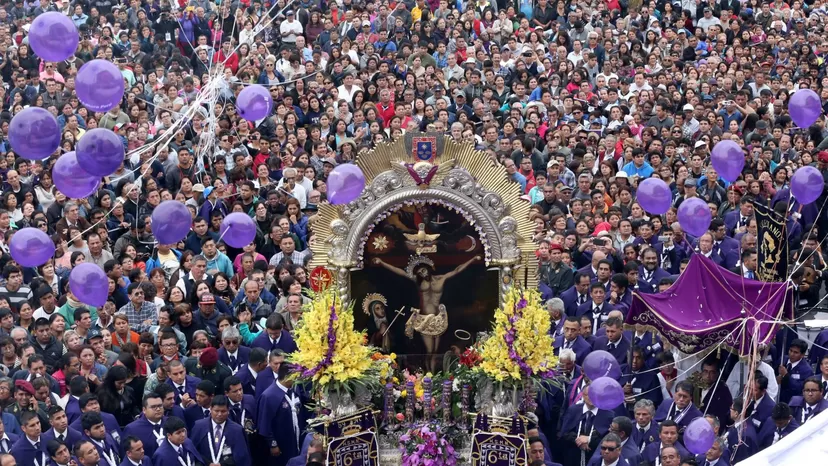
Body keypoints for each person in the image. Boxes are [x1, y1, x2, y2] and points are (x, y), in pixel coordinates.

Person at [189, 395, 251, 466]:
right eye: (216, 411)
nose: (219, 414)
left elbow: (241, 456)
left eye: (223, 411)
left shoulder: (237, 430)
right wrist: (208, 463)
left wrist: (222, 464)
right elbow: (193, 450)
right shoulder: (199, 426)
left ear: (228, 410)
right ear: (211, 409)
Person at [122, 393, 166, 458]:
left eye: (160, 406)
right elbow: (125, 456)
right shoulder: (132, 429)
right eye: (153, 407)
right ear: (144, 410)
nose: (158, 409)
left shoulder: (170, 423)